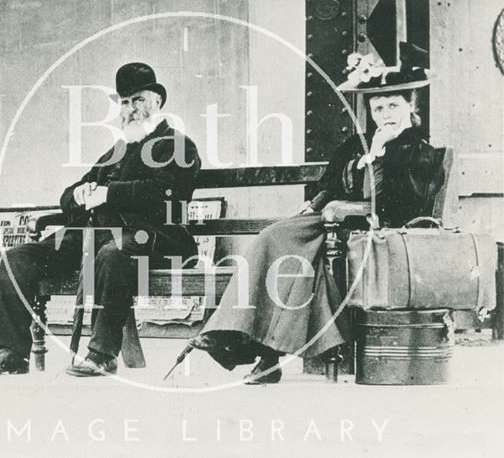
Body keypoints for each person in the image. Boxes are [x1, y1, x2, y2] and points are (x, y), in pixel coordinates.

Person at [189, 42, 441, 384]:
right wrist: (314, 204)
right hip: (332, 222)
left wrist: (380, 156)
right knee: (273, 237)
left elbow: (391, 202)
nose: (386, 115)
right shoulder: (357, 143)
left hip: (379, 231)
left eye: (393, 106)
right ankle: (232, 332)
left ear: (412, 108)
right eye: (378, 108)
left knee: (302, 263)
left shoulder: (419, 153)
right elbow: (331, 183)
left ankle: (263, 353)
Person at [0, 62, 201, 376]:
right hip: (95, 236)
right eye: (125, 101)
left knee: (112, 254)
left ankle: (102, 355)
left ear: (158, 102)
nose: (132, 108)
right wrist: (80, 192)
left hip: (152, 237)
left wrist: (110, 193)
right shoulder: (118, 150)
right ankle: (11, 351)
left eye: (139, 99)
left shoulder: (177, 145)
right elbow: (70, 195)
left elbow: (168, 195)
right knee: (18, 259)